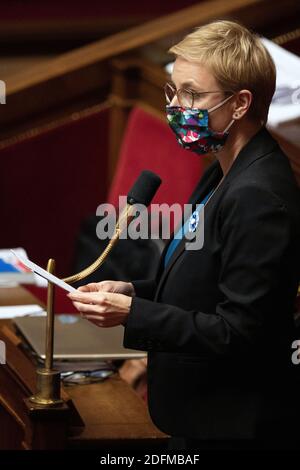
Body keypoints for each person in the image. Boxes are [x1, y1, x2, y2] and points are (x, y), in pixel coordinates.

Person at [68, 20, 300, 450]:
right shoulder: (221, 171)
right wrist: (134, 291)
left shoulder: (260, 196)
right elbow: (202, 282)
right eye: (173, 92)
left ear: (240, 104)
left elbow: (240, 331)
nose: (177, 107)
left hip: (228, 424)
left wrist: (133, 315)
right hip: (191, 411)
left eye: (192, 94)